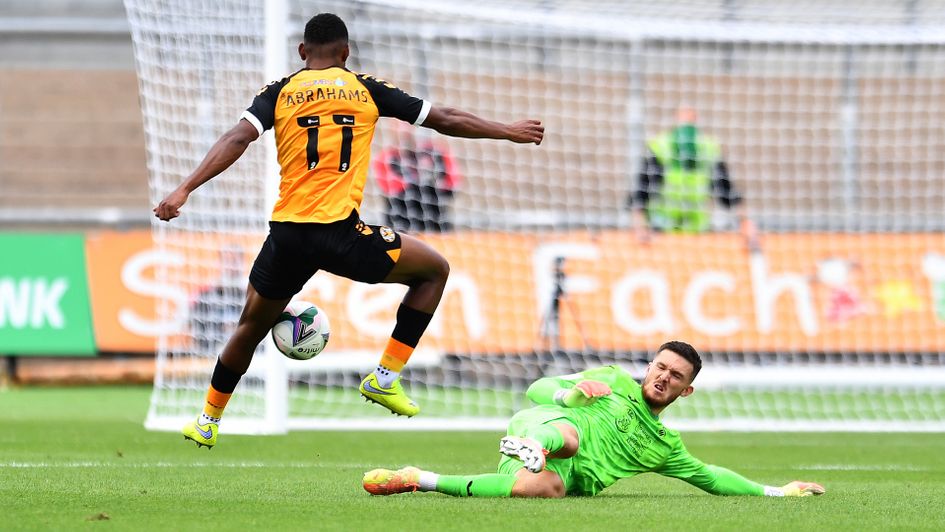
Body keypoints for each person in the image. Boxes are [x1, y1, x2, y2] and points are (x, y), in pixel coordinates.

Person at [153, 12, 544, 448]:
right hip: (340, 234)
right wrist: (508, 131)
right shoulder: (367, 89)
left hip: (286, 235)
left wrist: (184, 189)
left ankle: (208, 420)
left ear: (302, 52)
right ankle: (384, 377)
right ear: (345, 52)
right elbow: (444, 117)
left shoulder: (279, 93)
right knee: (434, 271)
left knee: (251, 324)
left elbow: (236, 138)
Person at [362, 341, 825, 499]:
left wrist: (775, 491)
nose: (663, 377)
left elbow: (709, 476)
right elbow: (536, 390)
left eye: (675, 376)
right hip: (542, 425)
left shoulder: (662, 444)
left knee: (541, 491)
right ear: (649, 366)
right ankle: (534, 446)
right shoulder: (610, 379)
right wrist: (572, 392)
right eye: (660, 367)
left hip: (553, 473)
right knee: (569, 435)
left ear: (687, 390)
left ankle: (416, 478)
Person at [629, 107, 759, 250]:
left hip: (698, 235)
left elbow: (727, 193)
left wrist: (747, 225)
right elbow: (640, 195)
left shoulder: (708, 149)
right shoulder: (660, 148)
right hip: (661, 233)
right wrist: (640, 228)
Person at [373, 121, 460, 232]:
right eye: (398, 125)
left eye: (407, 124)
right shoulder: (386, 158)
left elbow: (451, 187)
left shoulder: (437, 153)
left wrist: (431, 177)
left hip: (435, 220)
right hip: (401, 222)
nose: (404, 129)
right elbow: (395, 191)